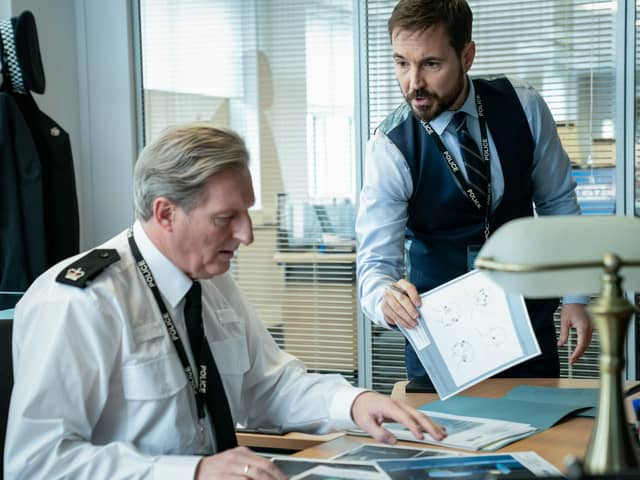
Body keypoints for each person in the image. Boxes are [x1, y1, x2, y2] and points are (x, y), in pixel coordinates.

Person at [4, 123, 446, 480]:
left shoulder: (211, 281)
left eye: (246, 214)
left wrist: (354, 404)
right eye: (225, 219)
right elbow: (36, 463)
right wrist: (193, 472)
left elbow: (269, 386)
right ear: (165, 213)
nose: (247, 236)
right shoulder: (79, 303)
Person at [356, 0, 593, 382]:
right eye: (402, 63)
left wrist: (577, 296)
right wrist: (384, 300)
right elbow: (375, 266)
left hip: (528, 327)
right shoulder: (390, 145)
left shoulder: (524, 106)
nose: (413, 83)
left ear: (467, 56)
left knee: (544, 438)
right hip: (442, 342)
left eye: (431, 64)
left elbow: (558, 203)